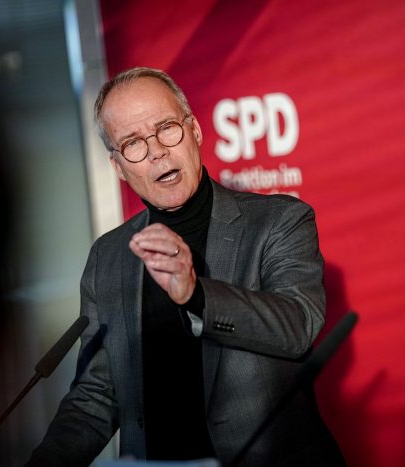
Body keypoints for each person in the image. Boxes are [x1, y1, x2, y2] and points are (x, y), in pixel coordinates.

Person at [27, 67, 346, 466]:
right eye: (133, 143)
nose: (157, 151)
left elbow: (298, 325)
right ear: (118, 167)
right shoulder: (107, 258)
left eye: (166, 128)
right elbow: (96, 395)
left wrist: (196, 295)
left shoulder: (279, 220)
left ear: (194, 130)